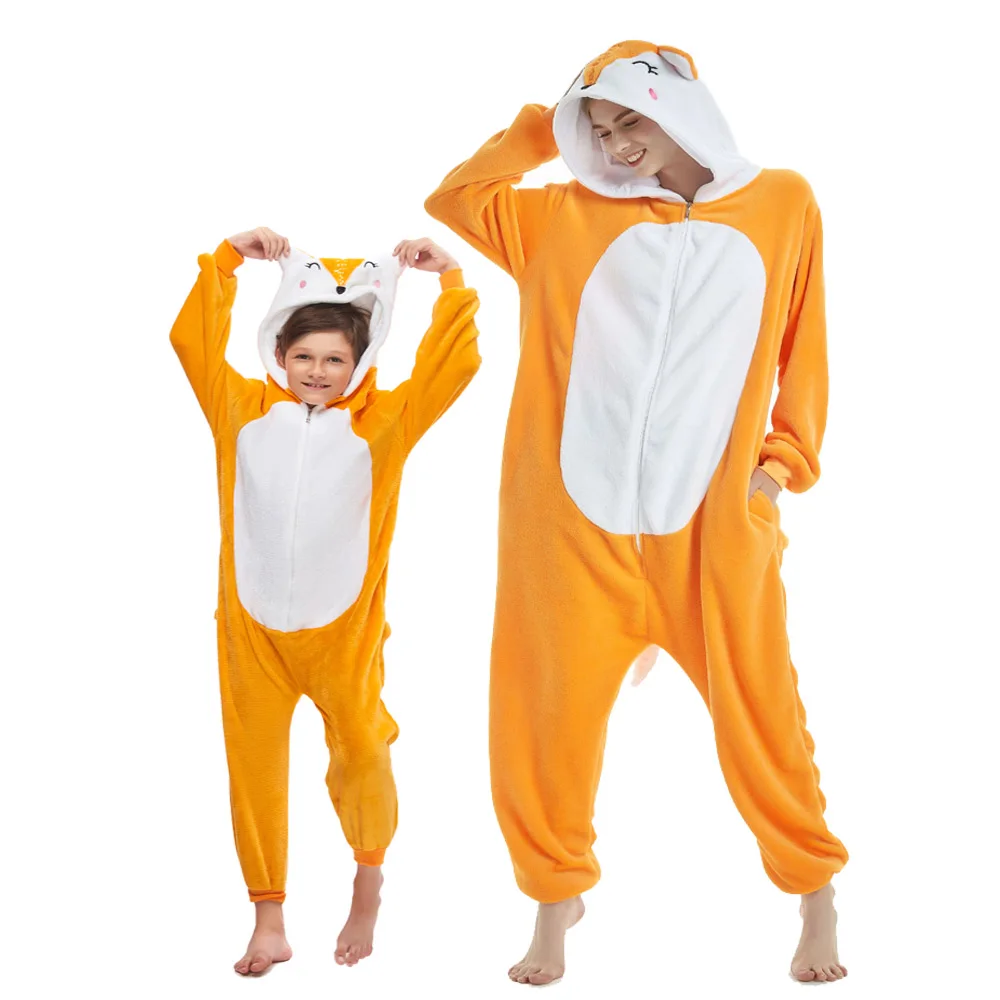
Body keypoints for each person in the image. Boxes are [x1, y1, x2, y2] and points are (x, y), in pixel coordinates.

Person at [426, 40, 848, 985]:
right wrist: (548, 126)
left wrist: (777, 473)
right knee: (545, 719)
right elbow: (456, 198)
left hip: (712, 528)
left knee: (763, 716)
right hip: (569, 528)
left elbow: (804, 344)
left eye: (631, 120)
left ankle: (815, 894)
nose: (617, 145)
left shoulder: (783, 203)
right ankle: (553, 901)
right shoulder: (562, 215)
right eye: (601, 129)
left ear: (679, 106)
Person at [169, 226, 480, 975]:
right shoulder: (237, 409)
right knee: (253, 767)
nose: (317, 372)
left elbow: (454, 366)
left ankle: (368, 878)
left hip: (343, 635)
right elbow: (191, 341)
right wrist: (226, 261)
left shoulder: (386, 422)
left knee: (364, 751)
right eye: (304, 357)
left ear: (359, 364)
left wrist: (450, 280)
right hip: (251, 633)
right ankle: (268, 920)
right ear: (279, 353)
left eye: (335, 360)